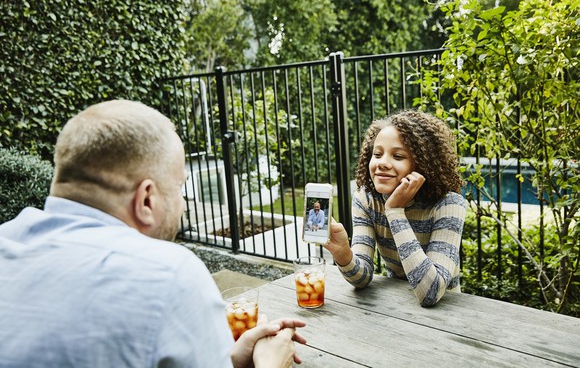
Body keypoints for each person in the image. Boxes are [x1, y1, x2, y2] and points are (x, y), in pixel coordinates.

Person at [0, 100, 306, 368]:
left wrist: (224, 359)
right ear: (147, 199)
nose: (183, 204)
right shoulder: (168, 275)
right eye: (179, 188)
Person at [324, 110, 467, 307]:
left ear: (422, 165)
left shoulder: (448, 205)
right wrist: (343, 253)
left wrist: (394, 211)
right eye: (377, 154)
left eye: (398, 156)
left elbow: (431, 292)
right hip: (394, 307)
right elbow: (361, 279)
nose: (382, 163)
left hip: (446, 314)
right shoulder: (366, 199)